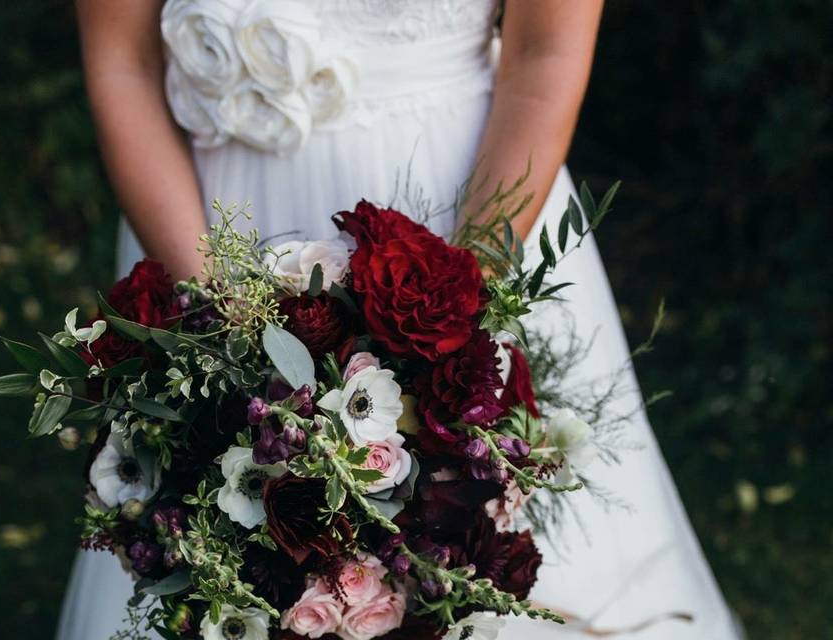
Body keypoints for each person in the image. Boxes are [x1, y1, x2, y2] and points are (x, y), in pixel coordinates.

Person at [59, 1, 742, 638]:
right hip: (210, 225)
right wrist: (223, 323)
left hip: (464, 208)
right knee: (234, 552)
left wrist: (455, 315)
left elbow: (545, 53)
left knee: (470, 545)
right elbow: (125, 63)